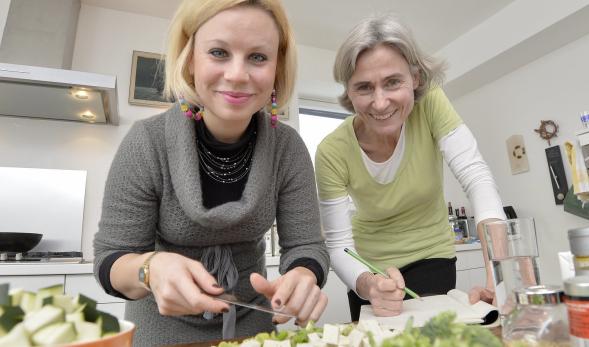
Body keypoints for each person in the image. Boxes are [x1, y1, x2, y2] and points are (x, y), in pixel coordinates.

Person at [93, 1, 329, 345]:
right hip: (160, 328)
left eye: (258, 57)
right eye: (219, 52)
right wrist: (150, 268)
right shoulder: (147, 142)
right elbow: (111, 259)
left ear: (277, 67)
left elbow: (307, 245)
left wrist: (304, 274)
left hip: (254, 327)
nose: (237, 74)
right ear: (190, 59)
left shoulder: (288, 148)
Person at [314, 14, 506, 322]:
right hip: (368, 268)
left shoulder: (430, 104)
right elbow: (339, 246)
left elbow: (477, 177)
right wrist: (368, 285)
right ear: (348, 92)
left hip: (432, 255)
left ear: (415, 78)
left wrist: (498, 275)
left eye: (392, 82)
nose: (380, 103)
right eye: (364, 87)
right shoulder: (331, 152)